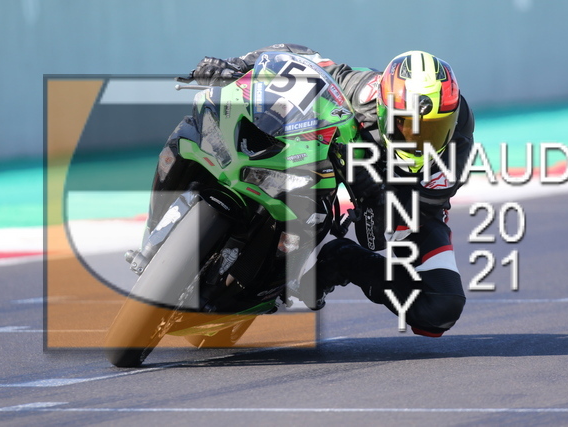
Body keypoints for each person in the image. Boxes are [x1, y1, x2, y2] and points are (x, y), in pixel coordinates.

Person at [173, 43, 475, 337]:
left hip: (413, 205)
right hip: (345, 164)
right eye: (406, 125)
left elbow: (383, 232)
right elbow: (301, 61)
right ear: (385, 107)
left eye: (433, 129)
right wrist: (237, 65)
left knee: (441, 308)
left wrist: (377, 189)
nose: (417, 140)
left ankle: (338, 261)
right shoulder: (363, 91)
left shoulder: (458, 146)